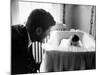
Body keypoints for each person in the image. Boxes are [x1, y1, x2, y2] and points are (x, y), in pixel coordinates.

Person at [11, 9, 56, 74]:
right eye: (49, 31)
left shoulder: (26, 35)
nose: (49, 34)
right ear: (38, 31)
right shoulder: (17, 43)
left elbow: (30, 64)